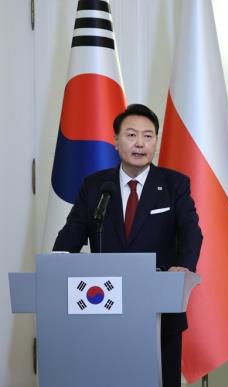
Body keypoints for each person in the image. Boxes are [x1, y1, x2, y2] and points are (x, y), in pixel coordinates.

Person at [53, 103, 202, 387]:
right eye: (132, 135)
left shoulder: (174, 184)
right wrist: (56, 265)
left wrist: (183, 267)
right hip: (104, 308)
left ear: (156, 142)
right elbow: (73, 233)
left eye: (148, 136)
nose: (140, 143)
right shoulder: (96, 186)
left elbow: (191, 232)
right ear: (116, 140)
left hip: (160, 309)